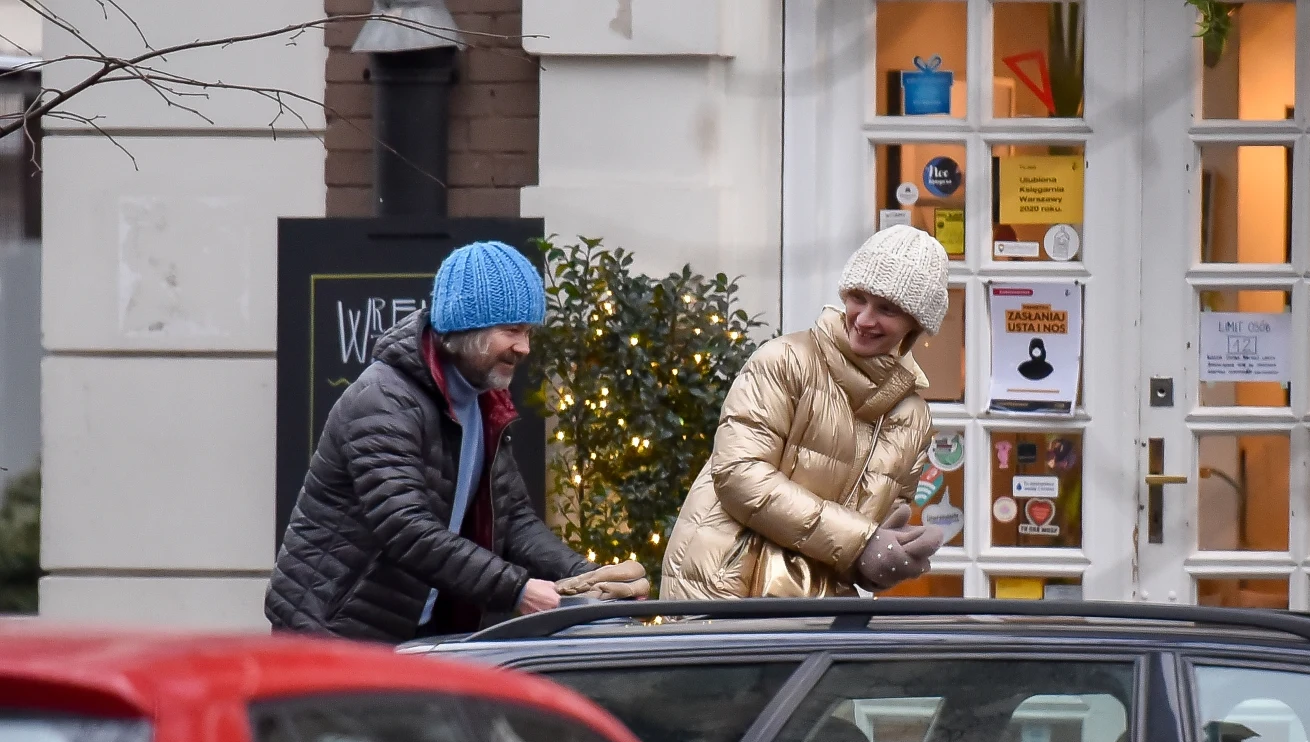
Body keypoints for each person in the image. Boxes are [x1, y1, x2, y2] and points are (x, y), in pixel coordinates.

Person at [266, 240, 646, 642]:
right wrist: (517, 590)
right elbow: (404, 526)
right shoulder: (384, 398)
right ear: (464, 326)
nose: (524, 347)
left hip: (410, 635)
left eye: (529, 331)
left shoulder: (483, 403)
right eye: (512, 330)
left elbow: (513, 520)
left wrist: (585, 579)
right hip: (330, 636)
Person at [661, 224, 949, 599]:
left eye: (887, 308)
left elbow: (852, 545)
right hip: (724, 591)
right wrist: (863, 542)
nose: (863, 319)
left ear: (916, 323)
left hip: (813, 610)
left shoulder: (912, 419)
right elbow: (738, 474)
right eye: (857, 298)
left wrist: (885, 559)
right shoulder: (785, 361)